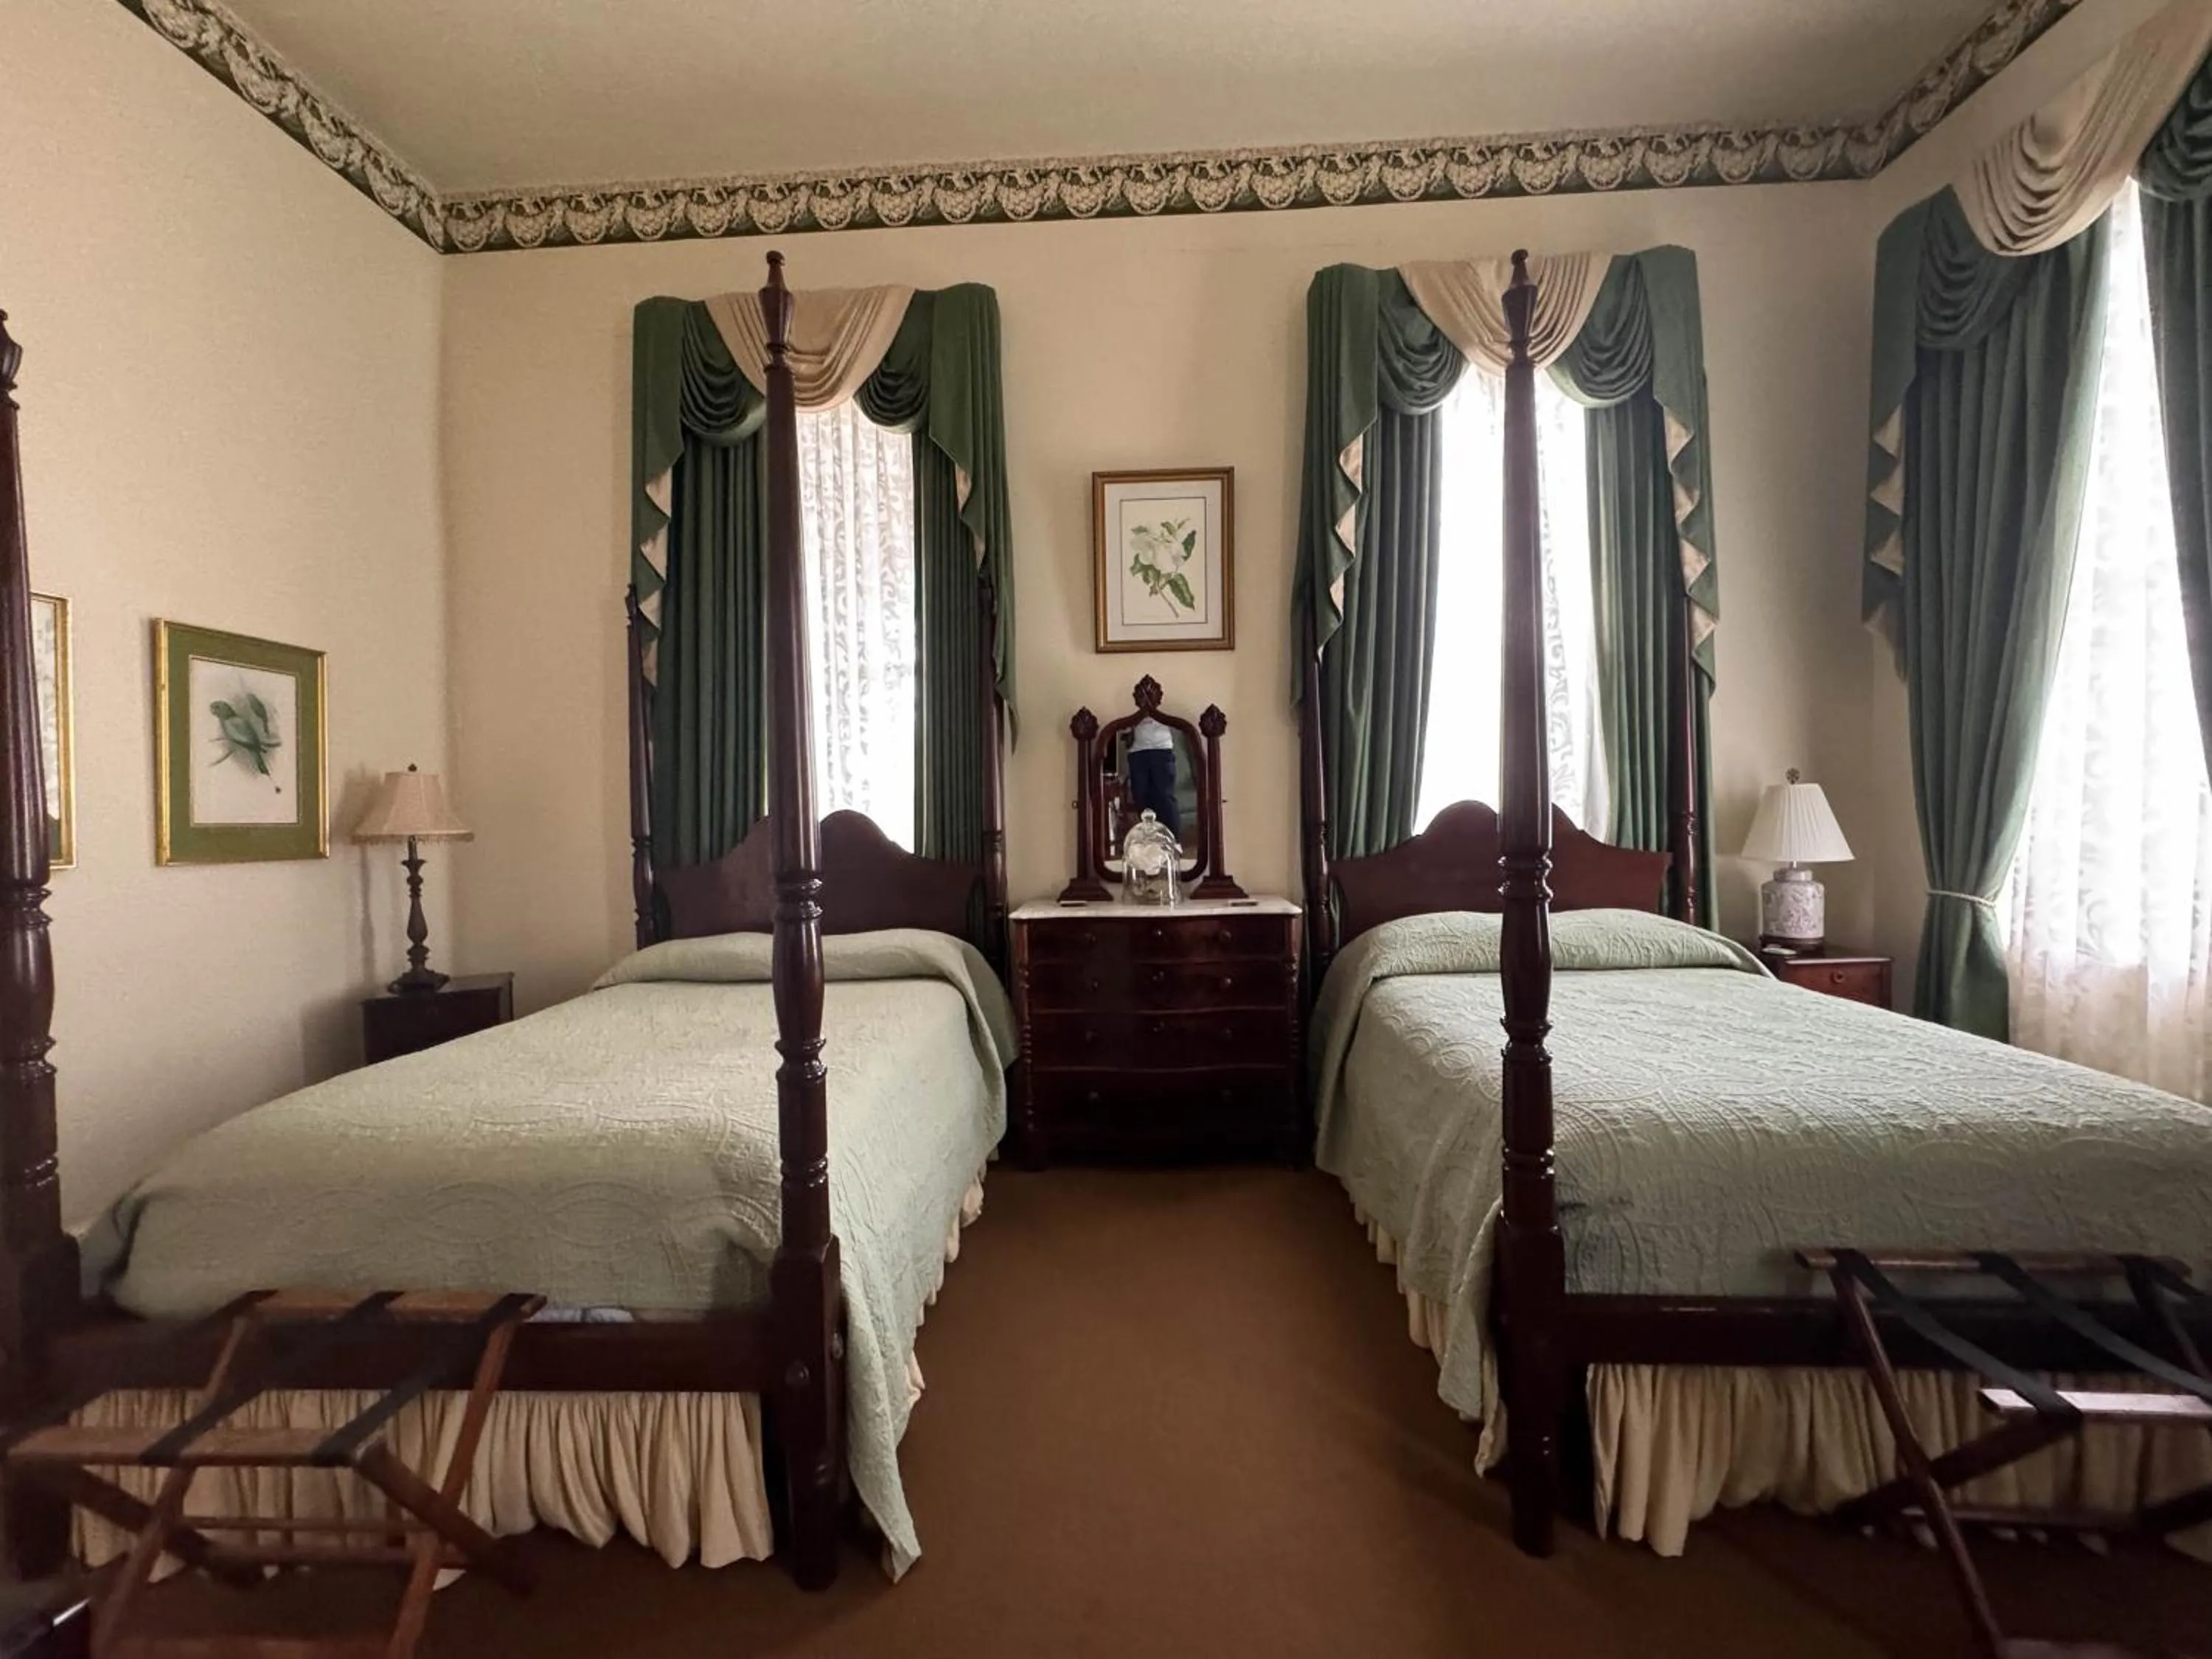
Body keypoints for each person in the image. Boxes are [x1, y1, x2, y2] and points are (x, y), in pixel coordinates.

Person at [1125, 717, 1180, 841]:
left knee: (1165, 798)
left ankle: (1173, 843)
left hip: (1162, 748)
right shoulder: (1130, 699)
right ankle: (1150, 843)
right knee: (1141, 798)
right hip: (1137, 751)